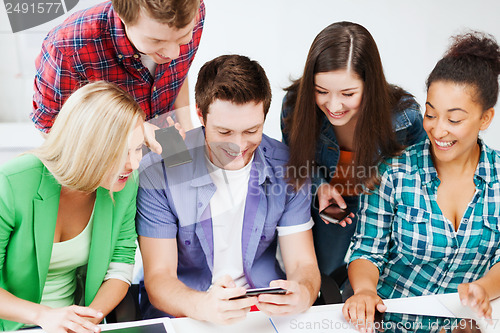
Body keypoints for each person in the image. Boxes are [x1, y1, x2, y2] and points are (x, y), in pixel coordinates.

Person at [136, 54, 321, 324]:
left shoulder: (289, 167)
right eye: (224, 132)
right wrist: (203, 306)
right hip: (187, 312)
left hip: (263, 314)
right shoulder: (161, 167)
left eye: (251, 131)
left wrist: (303, 292)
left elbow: (303, 265)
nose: (238, 146)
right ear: (200, 114)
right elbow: (159, 278)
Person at [343, 31, 500, 332]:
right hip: (388, 323)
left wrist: (484, 289)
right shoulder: (392, 171)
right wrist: (364, 291)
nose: (438, 130)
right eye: (430, 114)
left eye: (454, 120)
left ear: (485, 118)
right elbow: (366, 250)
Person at [280, 21, 425, 277]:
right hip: (330, 208)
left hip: (384, 208)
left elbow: (423, 176)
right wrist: (319, 187)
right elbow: (294, 162)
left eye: (348, 94)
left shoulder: (404, 116)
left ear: (370, 85)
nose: (334, 105)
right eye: (321, 91)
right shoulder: (295, 106)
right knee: (324, 277)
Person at [0, 81, 145, 332]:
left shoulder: (124, 184)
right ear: (86, 147)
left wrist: (85, 321)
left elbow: (120, 266)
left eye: (138, 148)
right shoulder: (13, 182)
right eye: (120, 152)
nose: (133, 163)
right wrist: (44, 316)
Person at [32, 0, 205, 150]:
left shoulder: (192, 12)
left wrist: (188, 128)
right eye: (156, 41)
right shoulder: (66, 49)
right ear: (122, 15)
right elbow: (50, 129)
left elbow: (177, 74)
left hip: (168, 136)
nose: (174, 53)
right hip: (107, 155)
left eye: (183, 38)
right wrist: (135, 131)